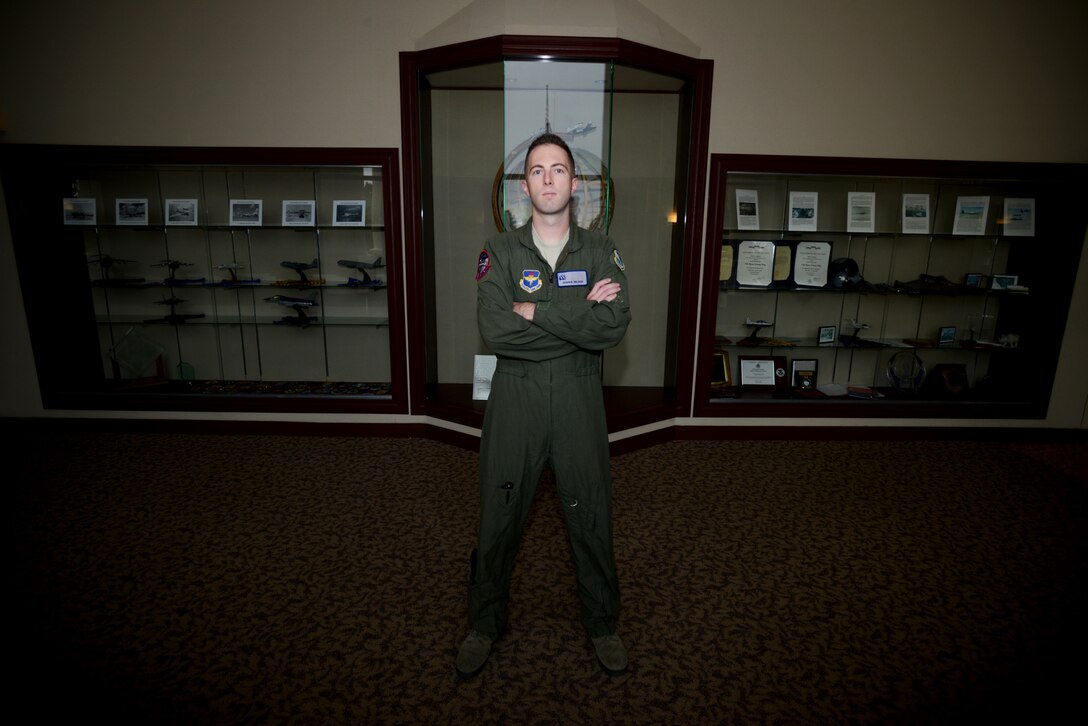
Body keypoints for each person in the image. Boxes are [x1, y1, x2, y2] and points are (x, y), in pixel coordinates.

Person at [457, 132, 632, 680]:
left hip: (580, 400)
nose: (549, 179)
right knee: (499, 516)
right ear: (525, 183)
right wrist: (579, 321)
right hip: (517, 400)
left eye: (559, 169)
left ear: (574, 184)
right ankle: (484, 623)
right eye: (538, 170)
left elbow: (615, 325)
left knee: (592, 513)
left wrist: (531, 312)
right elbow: (494, 329)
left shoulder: (600, 250)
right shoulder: (499, 250)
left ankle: (602, 623)